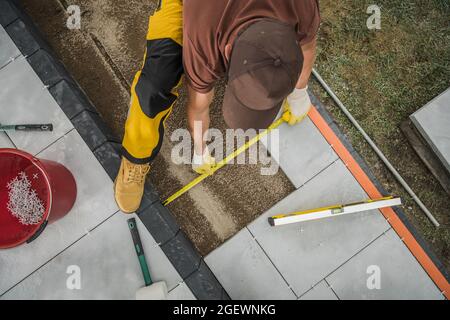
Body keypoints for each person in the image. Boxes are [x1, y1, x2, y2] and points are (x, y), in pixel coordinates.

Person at [114, 0, 320, 213]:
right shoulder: (204, 43)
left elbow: (307, 45)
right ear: (228, 50)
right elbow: (198, 105)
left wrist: (299, 93)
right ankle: (135, 157)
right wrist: (200, 148)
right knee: (154, 85)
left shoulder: (302, 7)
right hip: (195, 8)